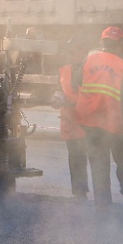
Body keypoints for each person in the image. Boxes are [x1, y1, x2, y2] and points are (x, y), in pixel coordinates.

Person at [73, 26, 123, 207]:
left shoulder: (89, 59)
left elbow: (76, 82)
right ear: (119, 44)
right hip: (113, 121)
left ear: (101, 42)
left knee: (99, 164)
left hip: (90, 121)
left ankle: (102, 206)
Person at [51, 35, 90, 201]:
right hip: (71, 121)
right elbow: (58, 90)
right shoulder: (64, 70)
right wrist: (57, 98)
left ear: (83, 52)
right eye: (70, 51)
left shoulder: (90, 70)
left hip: (87, 121)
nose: (72, 54)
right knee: (75, 157)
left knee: (87, 157)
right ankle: (80, 193)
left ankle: (97, 195)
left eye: (75, 50)